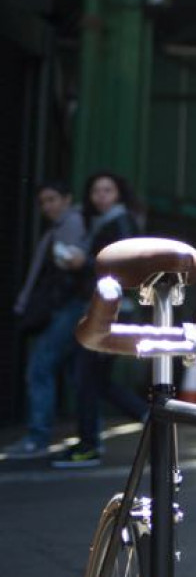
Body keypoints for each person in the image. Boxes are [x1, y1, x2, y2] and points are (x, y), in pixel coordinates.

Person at [53, 171, 149, 468]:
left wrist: (85, 263)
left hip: (112, 310)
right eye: (96, 190)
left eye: (107, 190)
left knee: (86, 376)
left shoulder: (120, 222)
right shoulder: (102, 222)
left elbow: (126, 265)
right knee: (96, 379)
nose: (101, 196)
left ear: (118, 193)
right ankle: (151, 417)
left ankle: (89, 445)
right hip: (107, 307)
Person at [4, 180, 87, 458]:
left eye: (52, 199)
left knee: (41, 367)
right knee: (76, 373)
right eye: (43, 202)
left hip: (67, 307)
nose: (47, 206)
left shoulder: (71, 224)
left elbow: (74, 261)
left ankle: (38, 437)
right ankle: (84, 436)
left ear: (66, 199)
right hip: (63, 307)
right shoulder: (57, 228)